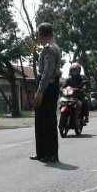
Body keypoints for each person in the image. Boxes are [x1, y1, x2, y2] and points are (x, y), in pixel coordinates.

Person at [26, 22, 61, 163]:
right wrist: (34, 53)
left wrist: (40, 91)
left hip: (48, 87)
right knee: (41, 121)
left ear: (41, 35)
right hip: (50, 86)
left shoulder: (49, 49)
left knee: (48, 121)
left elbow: (47, 72)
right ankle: (42, 153)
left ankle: (51, 154)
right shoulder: (53, 47)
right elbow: (45, 64)